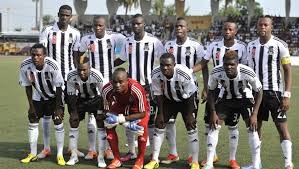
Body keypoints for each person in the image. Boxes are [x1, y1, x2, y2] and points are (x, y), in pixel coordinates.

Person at [193, 20, 249, 168]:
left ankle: (232, 159)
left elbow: (246, 69)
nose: (227, 31)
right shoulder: (214, 45)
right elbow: (204, 63)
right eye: (225, 29)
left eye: (230, 29)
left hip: (234, 91)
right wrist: (189, 71)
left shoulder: (242, 47)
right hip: (215, 89)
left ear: (235, 31)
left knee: (232, 125)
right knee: (210, 123)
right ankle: (213, 156)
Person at [245, 15, 293, 169]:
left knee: (281, 127)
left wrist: (286, 95)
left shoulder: (281, 45)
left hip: (275, 93)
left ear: (271, 27)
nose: (263, 27)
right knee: (255, 127)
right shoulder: (250, 46)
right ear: (257, 27)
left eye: (266, 25)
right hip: (255, 93)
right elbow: (247, 69)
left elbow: (287, 70)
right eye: (260, 25)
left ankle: (288, 163)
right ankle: (257, 164)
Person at [201, 50, 263, 169]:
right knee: (214, 126)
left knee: (252, 128)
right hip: (226, 99)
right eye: (226, 64)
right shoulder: (216, 72)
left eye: (232, 64)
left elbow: (259, 91)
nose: (229, 67)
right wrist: (213, 112)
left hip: (244, 99)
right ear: (223, 63)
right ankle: (209, 163)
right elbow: (211, 92)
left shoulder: (247, 71)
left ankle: (256, 165)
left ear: (237, 63)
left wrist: (254, 114)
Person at [114, 13, 164, 160]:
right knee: (128, 118)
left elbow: (164, 60)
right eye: (134, 24)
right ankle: (131, 151)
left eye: (139, 23)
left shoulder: (154, 41)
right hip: (130, 87)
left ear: (144, 25)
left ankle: (153, 155)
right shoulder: (128, 42)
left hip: (149, 86)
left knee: (150, 120)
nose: (136, 26)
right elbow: (121, 60)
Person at [77, 15, 126, 160]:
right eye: (95, 25)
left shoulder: (115, 37)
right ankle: (92, 149)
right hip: (92, 82)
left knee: (108, 115)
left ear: (106, 26)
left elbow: (127, 50)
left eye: (101, 25)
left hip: (109, 82)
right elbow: (79, 55)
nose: (98, 28)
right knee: (92, 116)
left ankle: (108, 149)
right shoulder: (87, 39)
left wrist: (113, 64)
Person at [163, 17, 208, 165]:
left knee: (190, 122)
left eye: (182, 26)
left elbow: (204, 63)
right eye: (177, 26)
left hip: (190, 90)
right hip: (170, 90)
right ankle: (173, 153)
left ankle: (191, 156)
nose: (179, 29)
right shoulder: (168, 45)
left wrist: (190, 72)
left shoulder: (195, 45)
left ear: (187, 28)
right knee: (169, 122)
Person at [39, 4, 82, 159]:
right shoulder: (48, 31)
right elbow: (42, 53)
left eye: (67, 15)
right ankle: (46, 148)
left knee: (73, 112)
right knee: (48, 114)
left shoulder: (75, 33)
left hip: (69, 78)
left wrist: (78, 78)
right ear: (58, 15)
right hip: (51, 79)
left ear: (71, 17)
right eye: (62, 14)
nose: (64, 17)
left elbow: (76, 57)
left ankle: (72, 148)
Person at [144, 53, 200, 169]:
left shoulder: (184, 73)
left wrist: (190, 114)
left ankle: (195, 161)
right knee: (159, 124)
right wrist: (160, 113)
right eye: (162, 65)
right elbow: (158, 94)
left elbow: (191, 94)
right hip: (169, 100)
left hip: (187, 100)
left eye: (168, 65)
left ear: (174, 65)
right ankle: (155, 159)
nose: (165, 68)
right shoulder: (155, 73)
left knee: (191, 125)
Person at [19, 43, 66, 165]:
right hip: (39, 95)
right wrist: (31, 106)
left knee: (57, 120)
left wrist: (58, 107)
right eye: (33, 55)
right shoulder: (25, 65)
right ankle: (33, 153)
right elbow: (27, 86)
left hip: (55, 95)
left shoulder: (52, 65)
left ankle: (60, 154)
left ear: (44, 55)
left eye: (39, 55)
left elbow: (59, 86)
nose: (35, 57)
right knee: (33, 119)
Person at [65, 54, 108, 168]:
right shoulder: (71, 75)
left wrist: (103, 111)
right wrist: (73, 112)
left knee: (101, 124)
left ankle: (101, 157)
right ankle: (73, 156)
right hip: (80, 99)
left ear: (89, 67)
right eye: (79, 69)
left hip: (96, 99)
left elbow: (103, 94)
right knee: (73, 122)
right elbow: (71, 96)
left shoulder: (96, 75)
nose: (82, 72)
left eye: (84, 69)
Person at [102, 67, 149, 169]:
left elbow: (143, 113)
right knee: (108, 125)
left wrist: (122, 120)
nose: (117, 85)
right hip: (120, 106)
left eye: (121, 82)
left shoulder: (136, 88)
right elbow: (106, 110)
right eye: (115, 82)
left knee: (141, 129)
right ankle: (117, 159)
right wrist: (111, 117)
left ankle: (140, 160)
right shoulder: (106, 89)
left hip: (138, 110)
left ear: (127, 81)